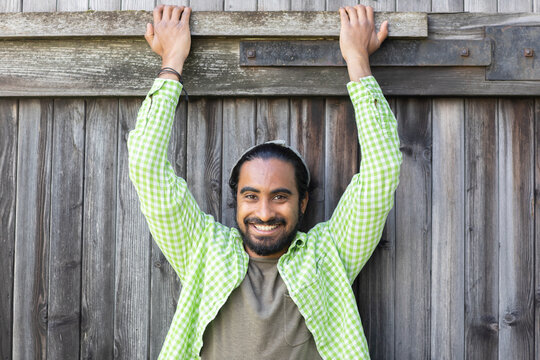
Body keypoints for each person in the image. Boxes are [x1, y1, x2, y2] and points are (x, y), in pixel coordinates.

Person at [128, 4, 402, 359]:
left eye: (280, 197)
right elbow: (145, 165)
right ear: (237, 201)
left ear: (303, 202)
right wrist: (172, 62)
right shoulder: (203, 250)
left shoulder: (329, 255)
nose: (264, 212)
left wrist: (357, 62)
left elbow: (382, 172)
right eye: (251, 196)